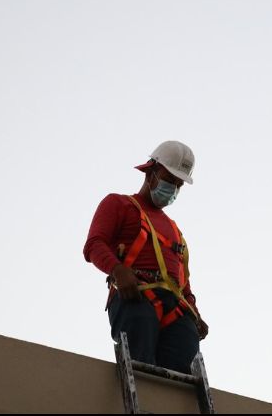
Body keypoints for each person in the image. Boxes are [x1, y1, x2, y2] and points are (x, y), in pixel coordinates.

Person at [83, 140, 208, 374]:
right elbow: (94, 245)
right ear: (150, 172)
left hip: (177, 309)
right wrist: (118, 270)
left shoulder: (174, 229)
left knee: (182, 383)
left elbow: (181, 278)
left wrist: (194, 310)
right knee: (143, 372)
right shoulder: (118, 204)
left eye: (178, 184)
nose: (173, 189)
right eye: (169, 180)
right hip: (136, 297)